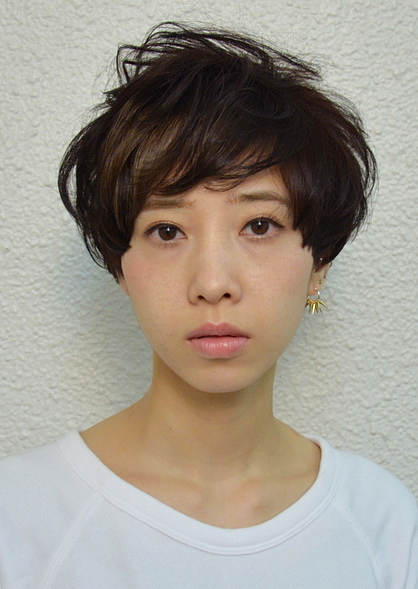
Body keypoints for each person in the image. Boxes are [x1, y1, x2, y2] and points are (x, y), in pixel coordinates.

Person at [0, 22, 416, 589]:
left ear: (319, 263)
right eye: (167, 230)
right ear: (121, 267)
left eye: (260, 225)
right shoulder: (20, 517)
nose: (213, 283)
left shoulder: (385, 524)